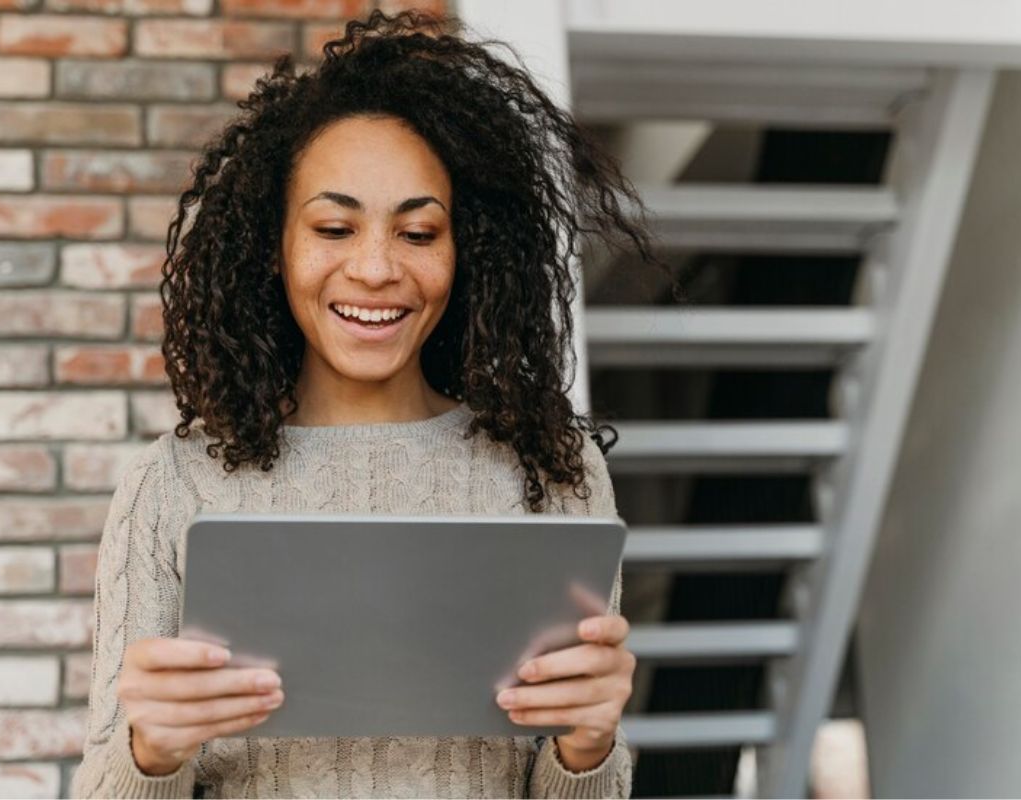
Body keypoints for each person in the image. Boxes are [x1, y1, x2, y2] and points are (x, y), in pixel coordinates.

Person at [70, 8, 665, 798]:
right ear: (272, 247)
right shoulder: (173, 486)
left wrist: (588, 749)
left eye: (418, 234)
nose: (377, 269)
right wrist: (150, 754)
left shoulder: (552, 475)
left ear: (468, 253)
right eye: (334, 227)